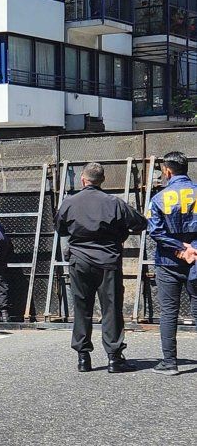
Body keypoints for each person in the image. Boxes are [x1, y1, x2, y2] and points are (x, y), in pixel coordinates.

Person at [54, 163, 147, 373]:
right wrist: (120, 233)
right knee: (111, 308)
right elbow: (140, 223)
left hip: (79, 260)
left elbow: (60, 229)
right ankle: (114, 358)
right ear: (102, 180)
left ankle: (83, 358)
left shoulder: (69, 202)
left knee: (81, 307)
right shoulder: (114, 202)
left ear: (83, 180)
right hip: (108, 260)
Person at [147, 152, 197, 376]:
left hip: (168, 261)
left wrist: (179, 247)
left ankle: (170, 363)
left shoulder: (159, 198)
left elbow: (155, 232)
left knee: (169, 312)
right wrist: (191, 249)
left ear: (167, 171)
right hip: (196, 258)